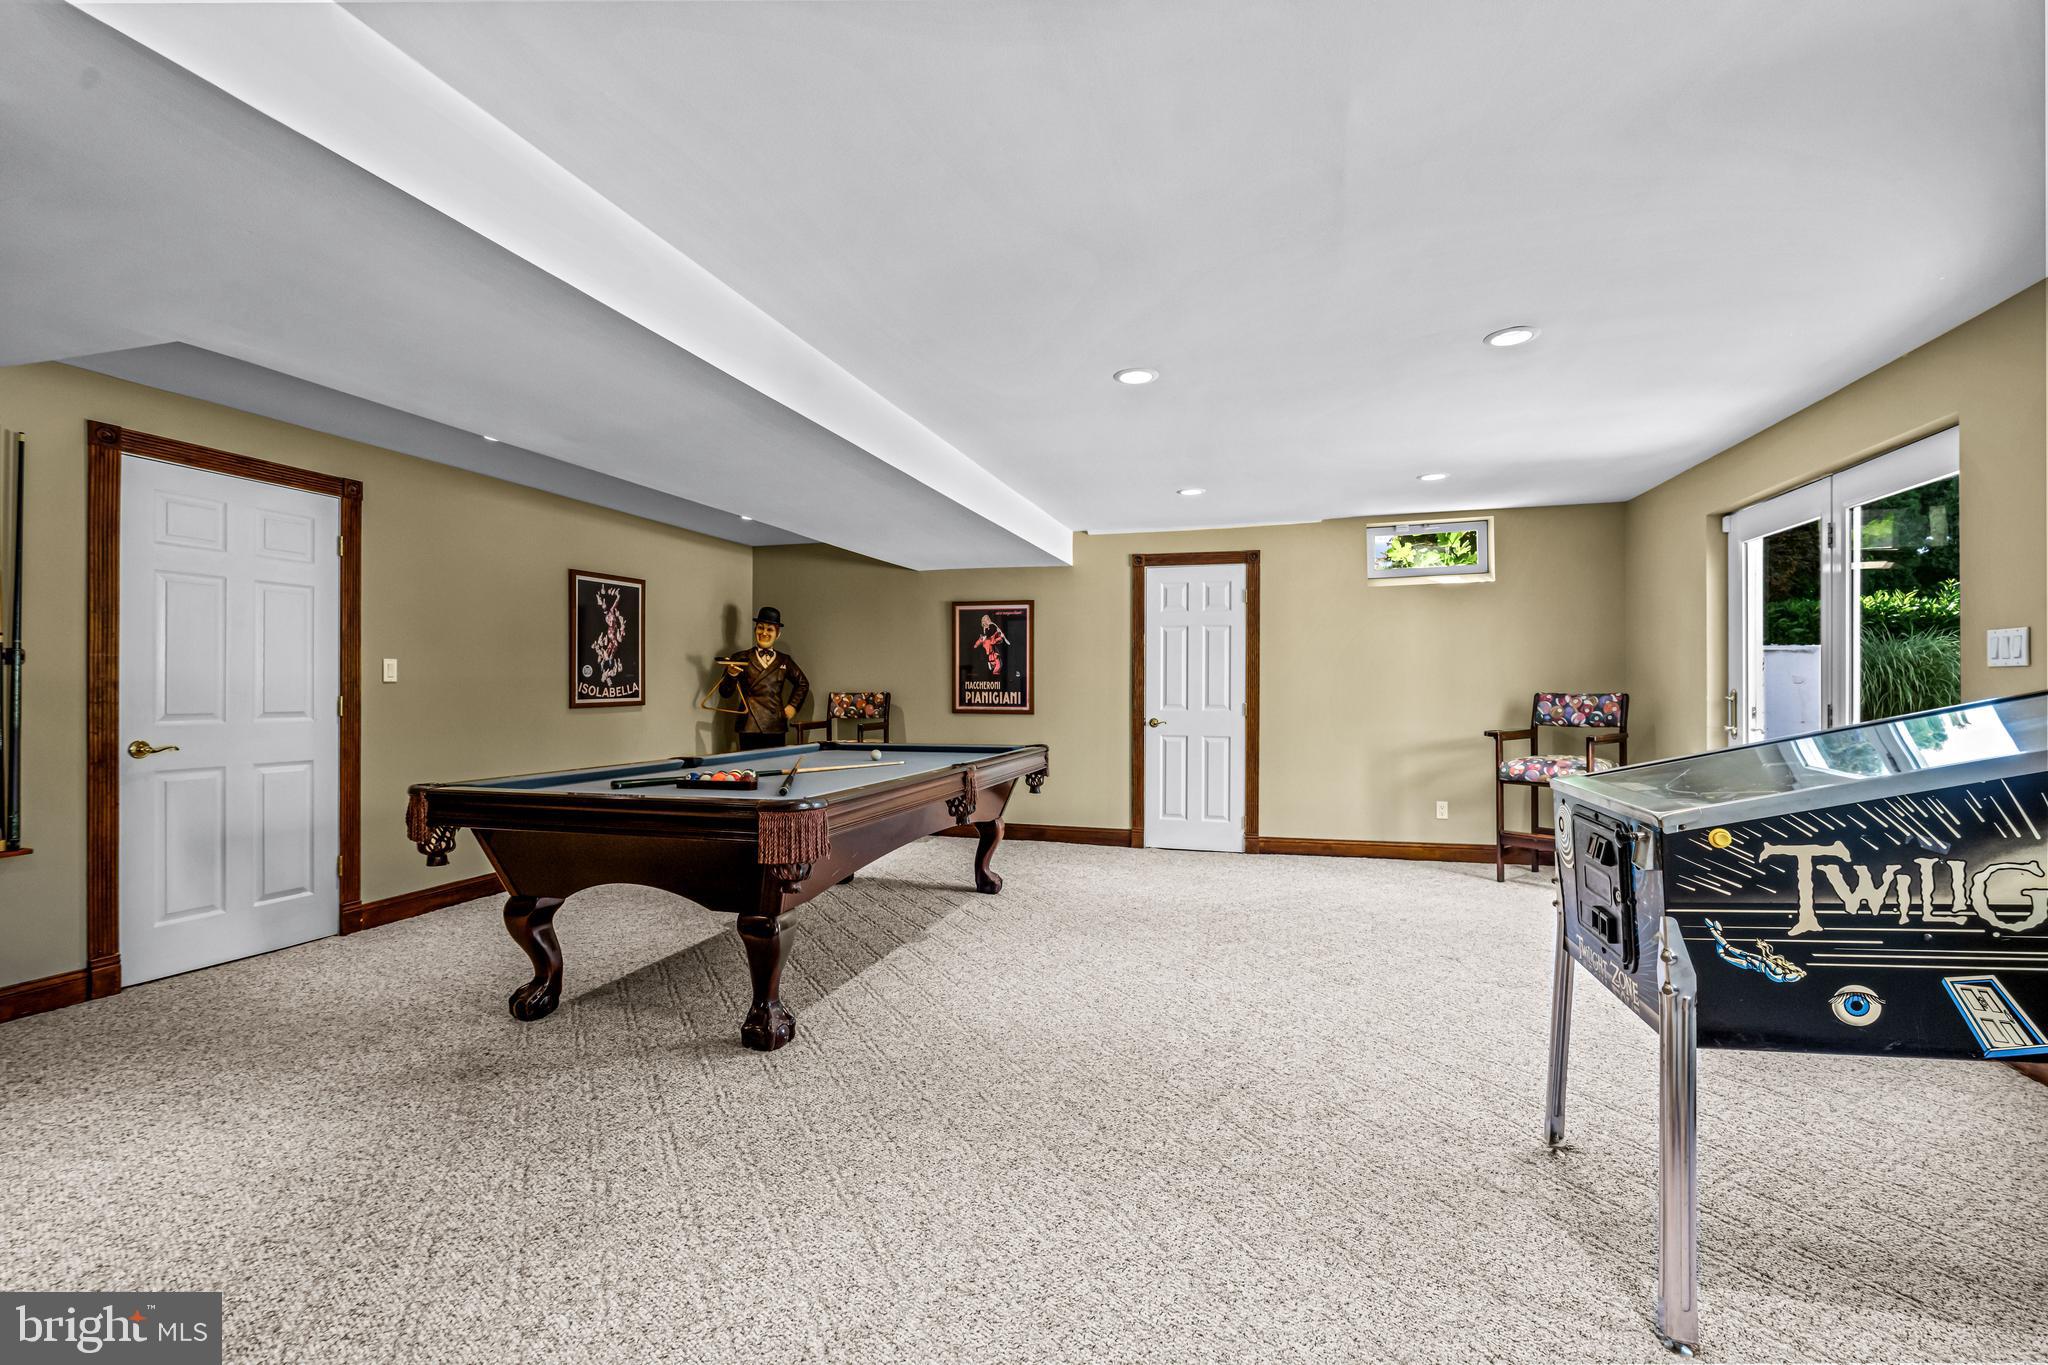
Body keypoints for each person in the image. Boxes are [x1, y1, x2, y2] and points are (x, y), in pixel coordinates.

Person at [718, 607, 810, 751]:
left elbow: (803, 683)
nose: (764, 633)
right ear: (755, 630)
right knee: (749, 769)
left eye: (770, 629)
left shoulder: (784, 660)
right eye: (760, 628)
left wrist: (792, 707)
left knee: (775, 766)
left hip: (775, 725)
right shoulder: (740, 658)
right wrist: (731, 675)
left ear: (778, 634)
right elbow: (725, 692)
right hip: (748, 724)